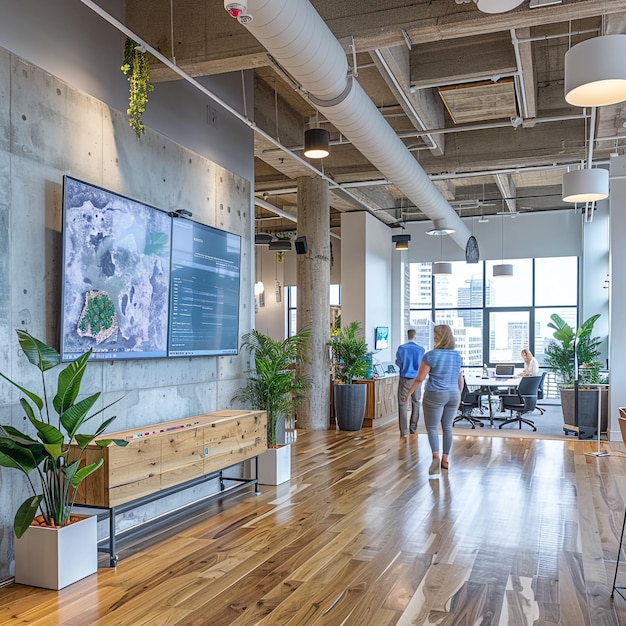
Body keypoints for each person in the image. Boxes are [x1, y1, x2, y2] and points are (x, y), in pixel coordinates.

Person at [403, 324, 462, 476]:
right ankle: (445, 459)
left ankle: (435, 457)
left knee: (431, 427)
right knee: (447, 427)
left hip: (435, 394)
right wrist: (459, 395)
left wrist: (408, 394)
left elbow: (420, 378)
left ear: (438, 337)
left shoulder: (430, 355)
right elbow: (459, 378)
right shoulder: (457, 355)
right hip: (453, 394)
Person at [395, 329, 425, 437]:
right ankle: (413, 428)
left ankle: (403, 432)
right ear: (415, 336)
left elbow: (398, 362)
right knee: (416, 403)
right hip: (417, 379)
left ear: (407, 335)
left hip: (405, 378)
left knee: (403, 403)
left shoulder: (402, 348)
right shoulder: (421, 349)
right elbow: (423, 364)